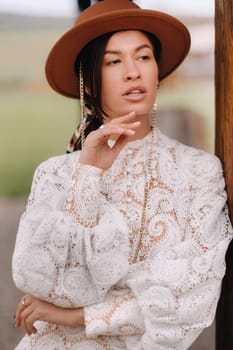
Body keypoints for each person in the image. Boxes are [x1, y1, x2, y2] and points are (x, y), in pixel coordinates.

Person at [12, 0, 232, 349]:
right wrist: (89, 173)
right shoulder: (55, 174)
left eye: (143, 57)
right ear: (89, 81)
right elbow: (47, 279)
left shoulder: (199, 172)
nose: (133, 71)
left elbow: (190, 296)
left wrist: (76, 316)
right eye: (114, 61)